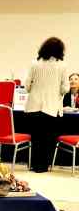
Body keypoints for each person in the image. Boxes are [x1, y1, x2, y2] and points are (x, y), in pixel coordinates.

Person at [25, 36, 70, 172]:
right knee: (47, 138)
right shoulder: (62, 66)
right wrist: (58, 92)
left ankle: (34, 164)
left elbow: (27, 86)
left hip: (33, 106)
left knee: (36, 137)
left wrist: (34, 89)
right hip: (51, 107)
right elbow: (65, 88)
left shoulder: (34, 63)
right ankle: (43, 165)